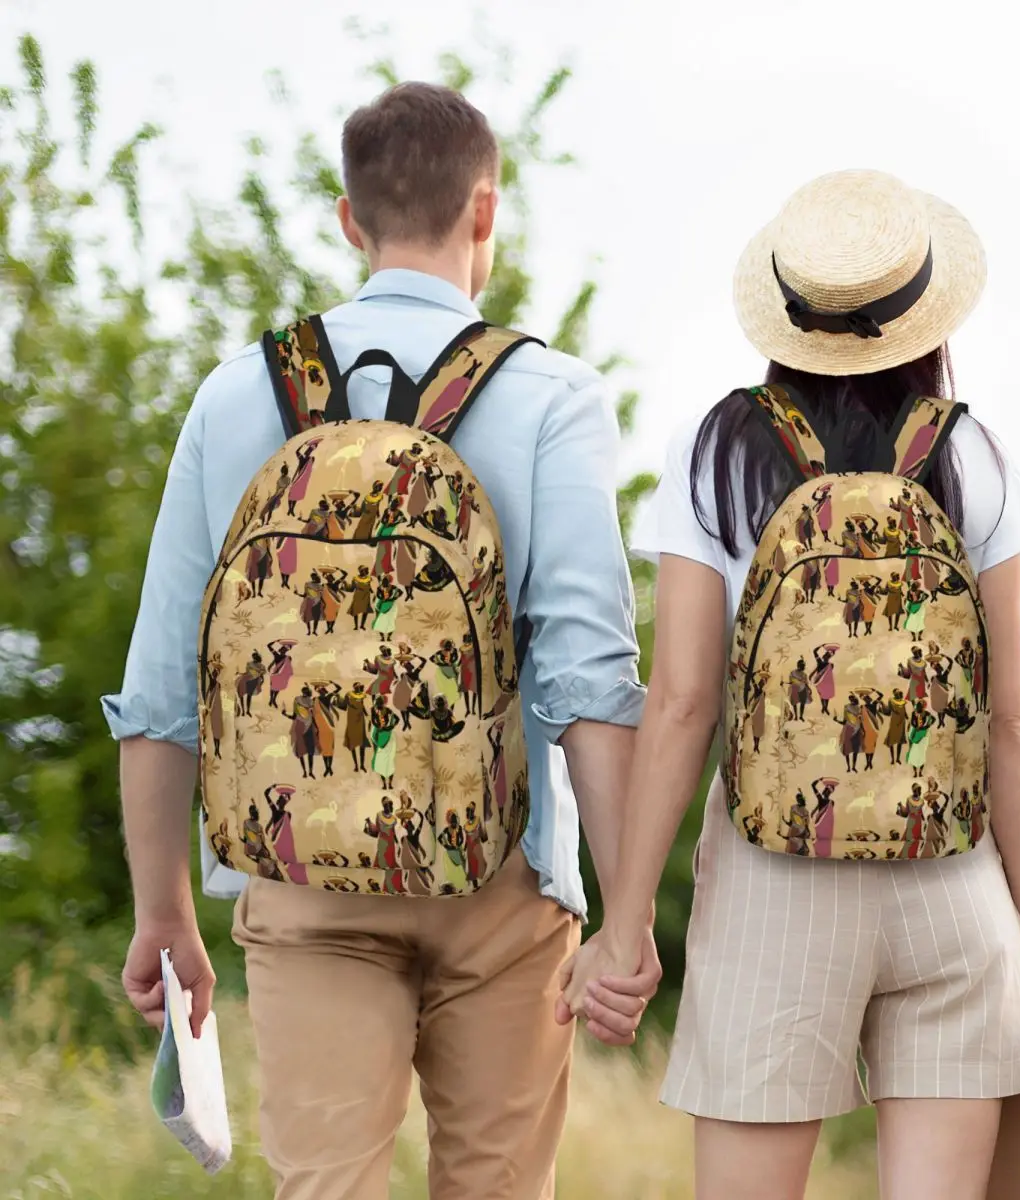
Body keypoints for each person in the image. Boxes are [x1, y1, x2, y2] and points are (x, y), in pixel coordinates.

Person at [104, 82, 658, 1200]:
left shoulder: (234, 398)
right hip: (500, 872)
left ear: (349, 221)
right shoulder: (551, 396)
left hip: (299, 874)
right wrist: (627, 917)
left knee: (326, 1186)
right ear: (485, 213)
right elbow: (590, 679)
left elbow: (164, 684)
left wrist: (162, 914)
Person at [558, 169, 1020, 1200]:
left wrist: (623, 927)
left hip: (773, 884)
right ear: (924, 315)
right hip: (953, 884)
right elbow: (1010, 723)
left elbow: (683, 705)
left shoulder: (717, 452)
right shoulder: (973, 456)